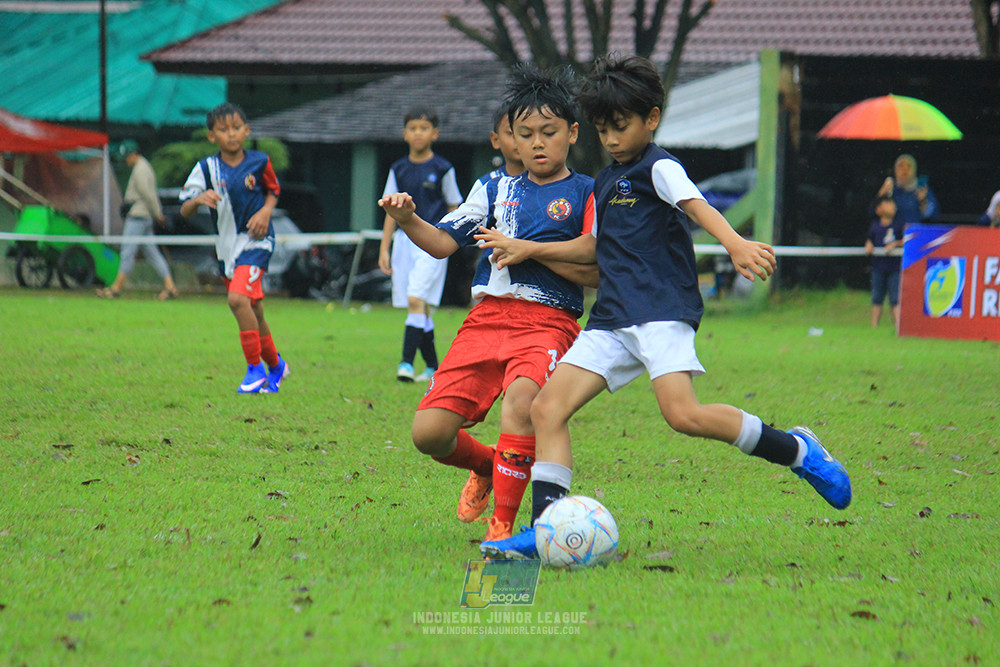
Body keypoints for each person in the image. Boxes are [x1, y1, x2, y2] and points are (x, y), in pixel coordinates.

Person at [480, 53, 852, 560]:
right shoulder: (607, 181)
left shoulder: (659, 166)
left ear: (651, 119)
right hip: (611, 317)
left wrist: (735, 244)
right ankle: (547, 530)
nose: (611, 138)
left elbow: (696, 205)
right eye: (602, 129)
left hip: (659, 311)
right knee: (547, 408)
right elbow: (596, 249)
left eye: (621, 126)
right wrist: (535, 249)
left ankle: (799, 451)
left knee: (683, 415)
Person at [379, 64, 598, 542]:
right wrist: (411, 218)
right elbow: (441, 243)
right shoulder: (494, 189)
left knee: (522, 403)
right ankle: (487, 464)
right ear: (510, 140)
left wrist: (528, 250)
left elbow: (598, 263)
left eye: (549, 131)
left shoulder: (586, 191)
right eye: (525, 134)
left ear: (572, 133)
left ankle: (502, 532)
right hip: (485, 320)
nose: (537, 143)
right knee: (429, 434)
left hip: (548, 321)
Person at [179, 102, 289, 394]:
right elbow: (184, 208)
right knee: (255, 309)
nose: (231, 134)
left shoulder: (260, 162)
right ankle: (277, 365)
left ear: (247, 130)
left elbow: (273, 191)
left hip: (256, 241)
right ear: (212, 135)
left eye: (237, 128)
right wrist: (197, 200)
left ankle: (256, 371)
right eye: (223, 129)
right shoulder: (205, 169)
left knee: (237, 299)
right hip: (227, 248)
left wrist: (265, 212)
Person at [378, 107, 464, 383]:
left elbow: (455, 205)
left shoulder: (442, 168)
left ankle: (405, 363)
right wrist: (385, 248)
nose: (418, 133)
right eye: (413, 128)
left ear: (434, 134)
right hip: (404, 243)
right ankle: (432, 367)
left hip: (432, 242)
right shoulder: (398, 169)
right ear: (405, 134)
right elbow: (390, 210)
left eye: (424, 128)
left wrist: (451, 237)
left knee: (416, 299)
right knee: (419, 305)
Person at [97, 139, 178, 300]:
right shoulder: (143, 167)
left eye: (127, 156)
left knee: (127, 251)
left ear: (133, 154)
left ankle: (116, 288)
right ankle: (170, 287)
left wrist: (158, 214)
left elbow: (147, 194)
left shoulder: (141, 169)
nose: (126, 160)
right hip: (144, 217)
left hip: (138, 217)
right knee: (153, 253)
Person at [864, 195, 903, 329]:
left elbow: (907, 240)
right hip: (878, 267)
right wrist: (868, 245)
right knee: (877, 297)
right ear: (879, 209)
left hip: (895, 268)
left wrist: (895, 244)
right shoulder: (875, 226)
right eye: (888, 203)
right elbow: (870, 239)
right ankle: (874, 326)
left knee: (895, 298)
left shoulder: (899, 225)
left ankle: (898, 326)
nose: (892, 206)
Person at [876, 153, 938, 227]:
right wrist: (881, 194)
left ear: (915, 170)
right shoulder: (890, 188)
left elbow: (934, 216)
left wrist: (923, 202)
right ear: (895, 170)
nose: (905, 170)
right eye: (901, 166)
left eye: (909, 166)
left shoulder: (922, 189)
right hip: (892, 234)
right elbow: (872, 213)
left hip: (914, 234)